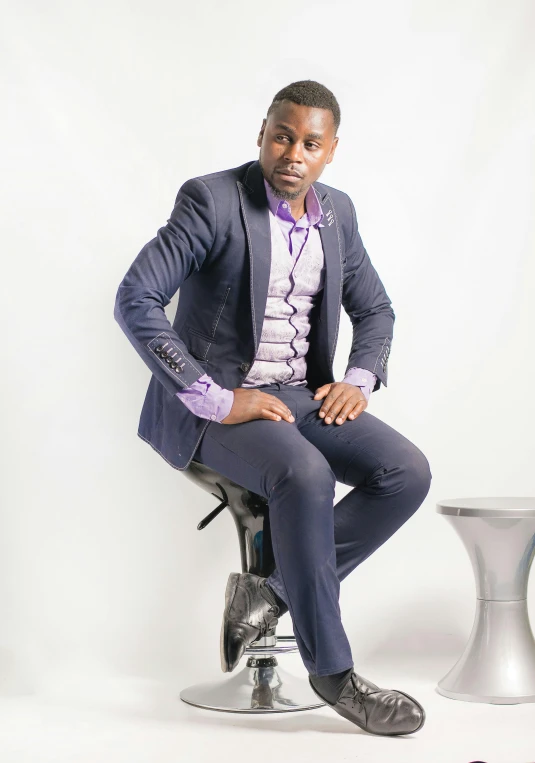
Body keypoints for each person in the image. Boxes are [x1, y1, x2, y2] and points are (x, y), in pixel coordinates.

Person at [114, 79, 432, 736]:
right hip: (214, 404)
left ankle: (273, 591)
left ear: (329, 152)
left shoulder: (336, 212)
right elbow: (135, 297)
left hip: (300, 395)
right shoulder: (211, 200)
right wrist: (214, 396)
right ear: (262, 133)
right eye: (282, 135)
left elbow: (374, 308)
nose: (293, 152)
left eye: (309, 143)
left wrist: (359, 376)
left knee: (406, 470)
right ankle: (332, 670)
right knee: (306, 474)